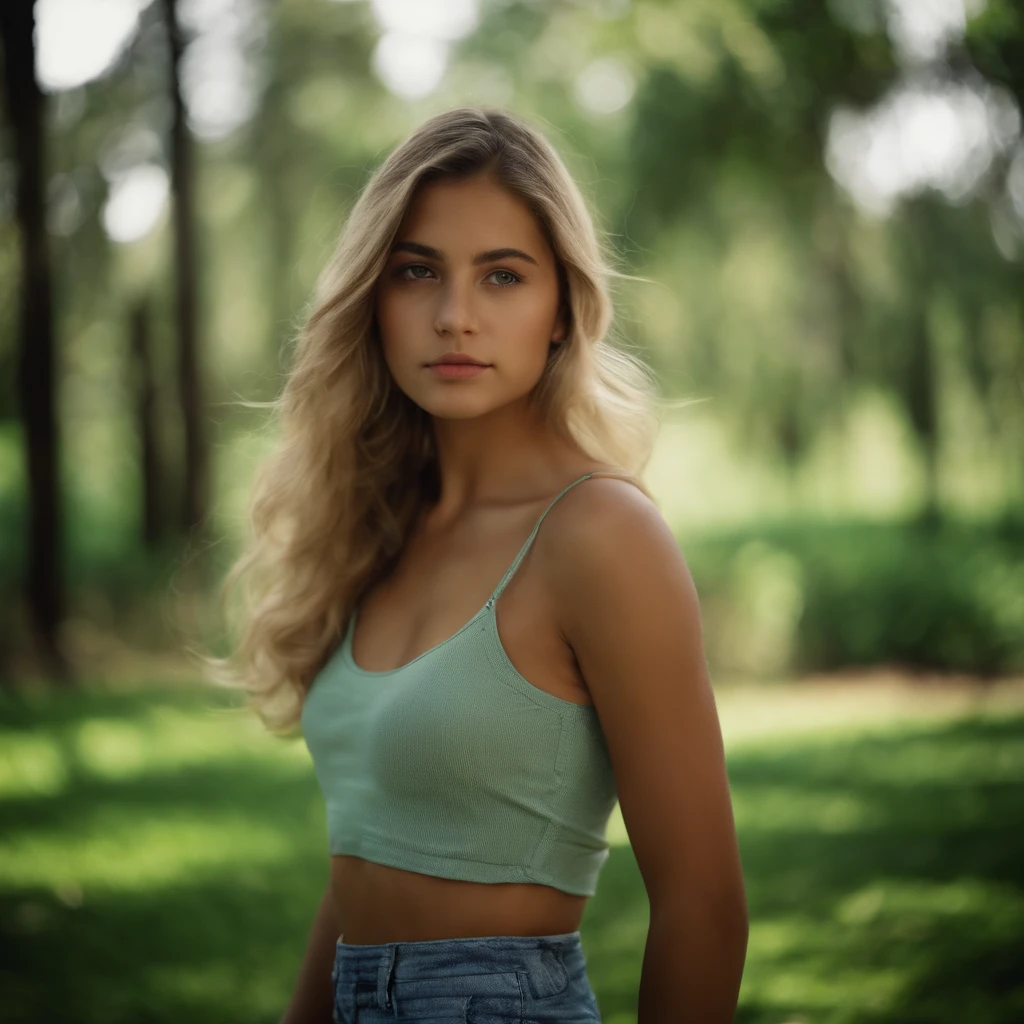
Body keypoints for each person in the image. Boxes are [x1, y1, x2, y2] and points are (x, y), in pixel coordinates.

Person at [208, 106, 747, 1023]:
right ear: (372, 299)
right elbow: (361, 871)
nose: (455, 317)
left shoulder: (599, 534)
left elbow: (704, 902)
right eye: (418, 272)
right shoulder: (381, 525)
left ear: (561, 311)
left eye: (502, 276)